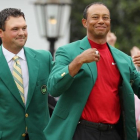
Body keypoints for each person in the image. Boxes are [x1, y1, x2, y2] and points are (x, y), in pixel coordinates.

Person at [43, 2, 140, 140]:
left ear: (110, 22)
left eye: (105, 18)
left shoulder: (123, 59)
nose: (101, 21)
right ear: (85, 22)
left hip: (113, 133)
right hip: (81, 132)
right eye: (95, 17)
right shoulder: (68, 52)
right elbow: (53, 88)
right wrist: (78, 62)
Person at [0, 8, 52, 140]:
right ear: (1, 32)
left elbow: (60, 87)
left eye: (24, 28)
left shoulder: (44, 58)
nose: (22, 33)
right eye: (15, 29)